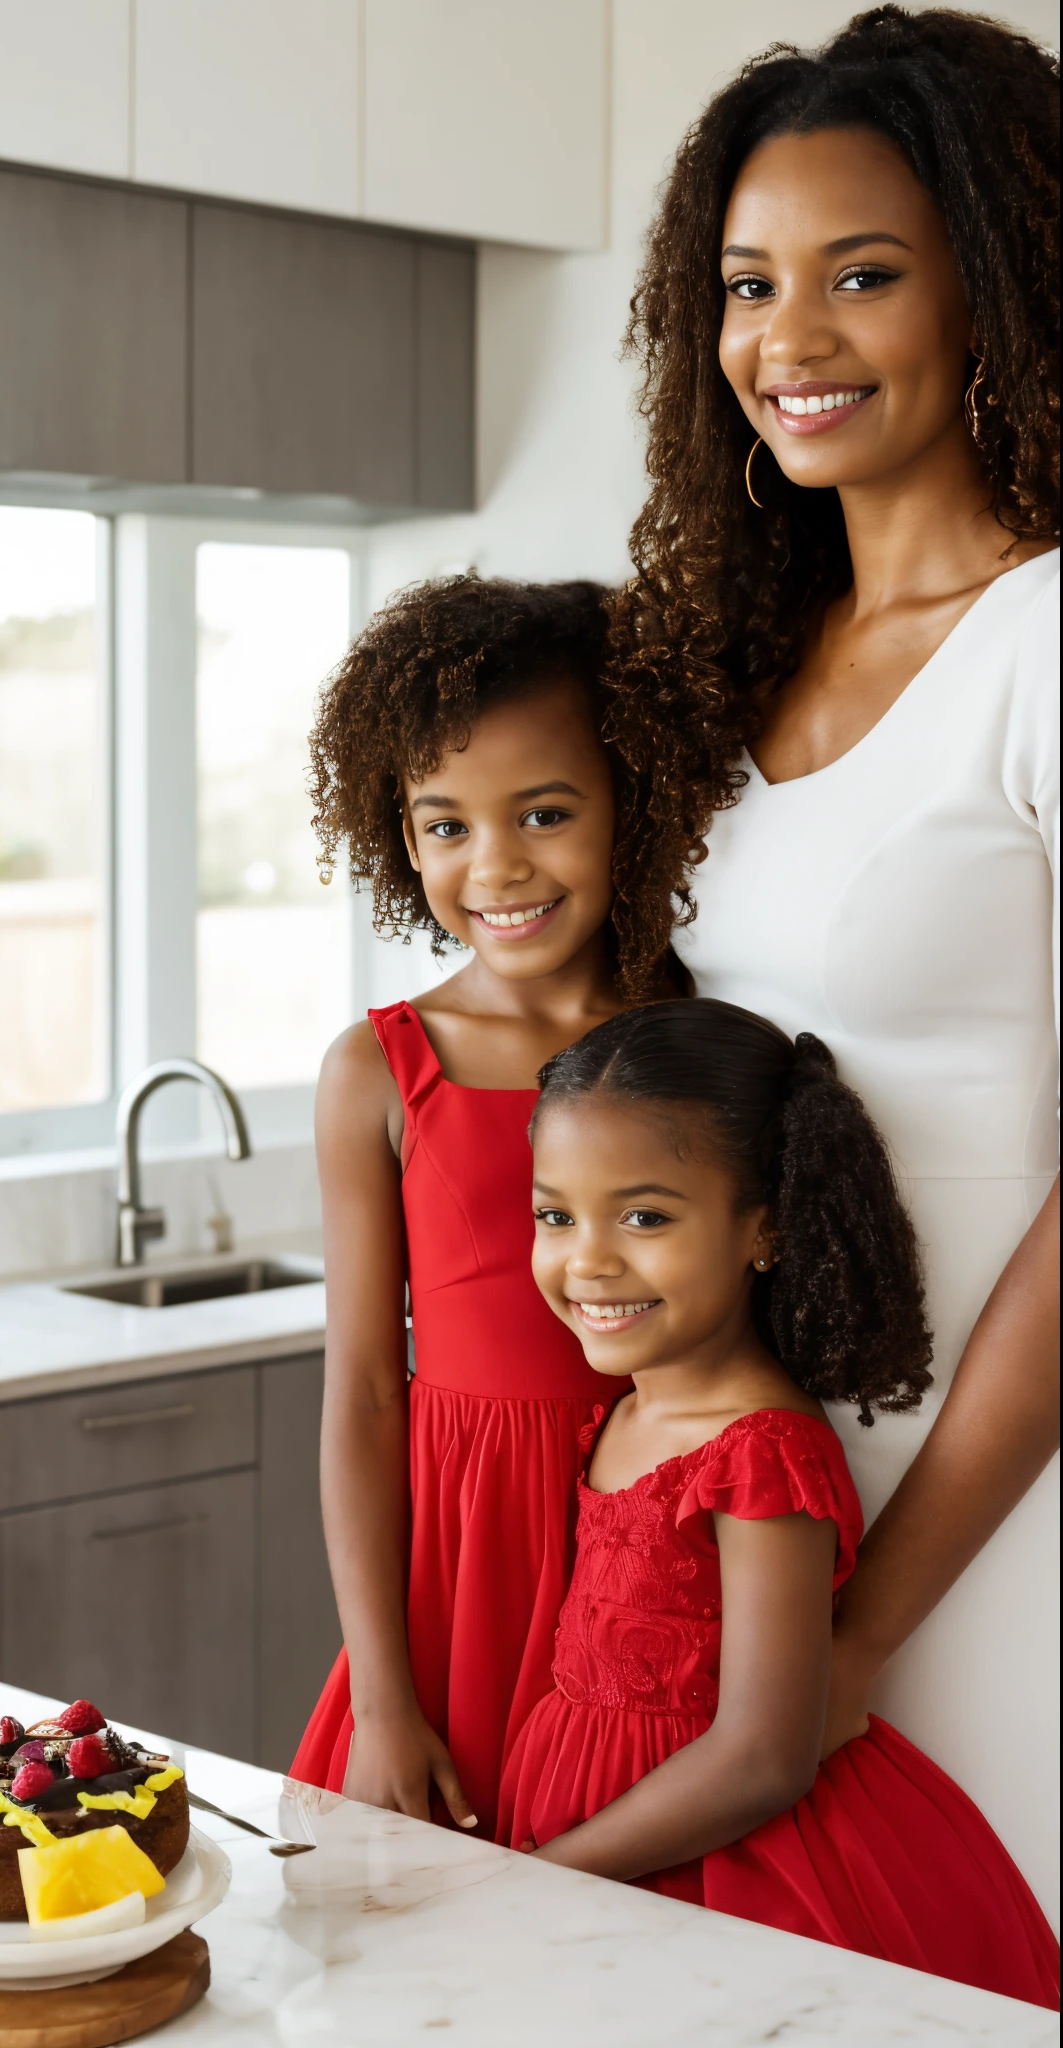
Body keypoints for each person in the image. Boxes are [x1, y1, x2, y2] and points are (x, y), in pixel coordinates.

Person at [609, 5, 1059, 1895]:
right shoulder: (726, 667)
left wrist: (872, 1625)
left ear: (994, 290)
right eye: (742, 284)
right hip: (769, 1519)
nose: (781, 342)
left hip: (992, 1521)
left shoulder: (1041, 637)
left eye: (856, 276)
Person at [290, 576, 738, 1838]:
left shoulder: (694, 1040)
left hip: (661, 1552)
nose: (494, 868)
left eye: (544, 811)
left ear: (629, 801)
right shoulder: (378, 1069)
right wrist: (384, 1697)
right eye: (444, 825)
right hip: (461, 1579)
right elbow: (368, 1394)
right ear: (401, 836)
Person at [498, 999, 1058, 2009]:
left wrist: (546, 1875)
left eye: (645, 1215)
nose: (587, 1257)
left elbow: (766, 1752)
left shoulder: (761, 1454)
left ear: (765, 1226)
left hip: (718, 1869)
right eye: (555, 1213)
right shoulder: (620, 1414)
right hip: (578, 1822)